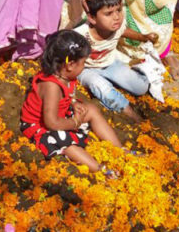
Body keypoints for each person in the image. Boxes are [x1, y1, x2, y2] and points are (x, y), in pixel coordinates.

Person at [20, 30, 124, 172]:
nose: (84, 67)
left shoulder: (65, 76)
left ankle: (120, 150)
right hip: (41, 125)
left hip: (59, 116)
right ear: (70, 65)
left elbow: (67, 96)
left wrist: (73, 103)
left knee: (91, 110)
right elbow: (51, 123)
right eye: (83, 63)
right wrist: (74, 123)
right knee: (63, 141)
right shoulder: (52, 87)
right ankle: (99, 169)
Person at [74, 0, 157, 120]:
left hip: (110, 64)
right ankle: (127, 110)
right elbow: (64, 51)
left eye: (118, 10)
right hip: (86, 69)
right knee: (99, 85)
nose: (116, 17)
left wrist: (144, 37)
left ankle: (137, 69)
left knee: (141, 87)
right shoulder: (80, 35)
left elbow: (124, 31)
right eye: (109, 13)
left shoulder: (117, 26)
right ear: (92, 18)